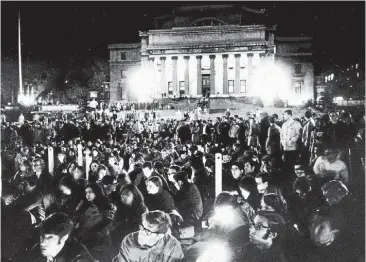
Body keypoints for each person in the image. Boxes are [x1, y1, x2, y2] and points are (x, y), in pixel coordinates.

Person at [112, 210, 184, 262]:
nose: (141, 232)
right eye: (142, 227)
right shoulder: (129, 240)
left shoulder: (172, 245)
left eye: (147, 231)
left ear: (160, 236)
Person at [23, 212, 96, 261]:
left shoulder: (80, 257)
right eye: (42, 236)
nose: (42, 243)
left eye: (49, 237)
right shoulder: (36, 250)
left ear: (63, 238)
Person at [280, 109, 302, 175]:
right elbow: (281, 135)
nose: (284, 116)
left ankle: (292, 178)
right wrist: (283, 141)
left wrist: (292, 140)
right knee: (285, 164)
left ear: (289, 115)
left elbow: (299, 134)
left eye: (285, 114)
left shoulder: (296, 124)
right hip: (285, 147)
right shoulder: (284, 125)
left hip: (293, 148)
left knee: (292, 164)